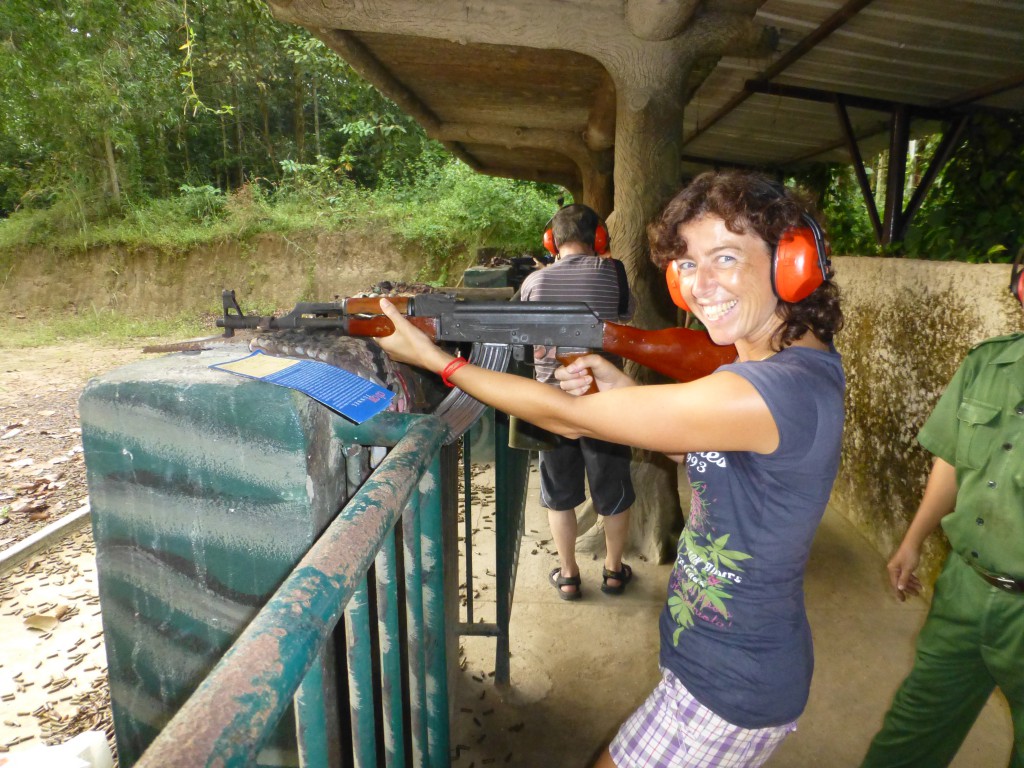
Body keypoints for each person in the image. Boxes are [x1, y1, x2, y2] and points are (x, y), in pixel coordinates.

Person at [374, 170, 845, 767]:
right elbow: (716, 454)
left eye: (725, 257)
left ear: (791, 262)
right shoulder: (799, 369)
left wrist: (435, 361)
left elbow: (571, 420)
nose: (702, 286)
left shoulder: (767, 389)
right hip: (729, 663)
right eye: (688, 266)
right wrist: (619, 382)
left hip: (730, 684)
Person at [860, 256, 1024, 768]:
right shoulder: (987, 364)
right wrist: (913, 540)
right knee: (911, 735)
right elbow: (951, 459)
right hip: (966, 588)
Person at [518, 203, 637, 600]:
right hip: (604, 402)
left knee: (559, 493)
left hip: (552, 405)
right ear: (598, 239)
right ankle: (614, 571)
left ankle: (568, 576)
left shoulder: (534, 281)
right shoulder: (613, 272)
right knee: (614, 490)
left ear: (552, 241)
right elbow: (626, 313)